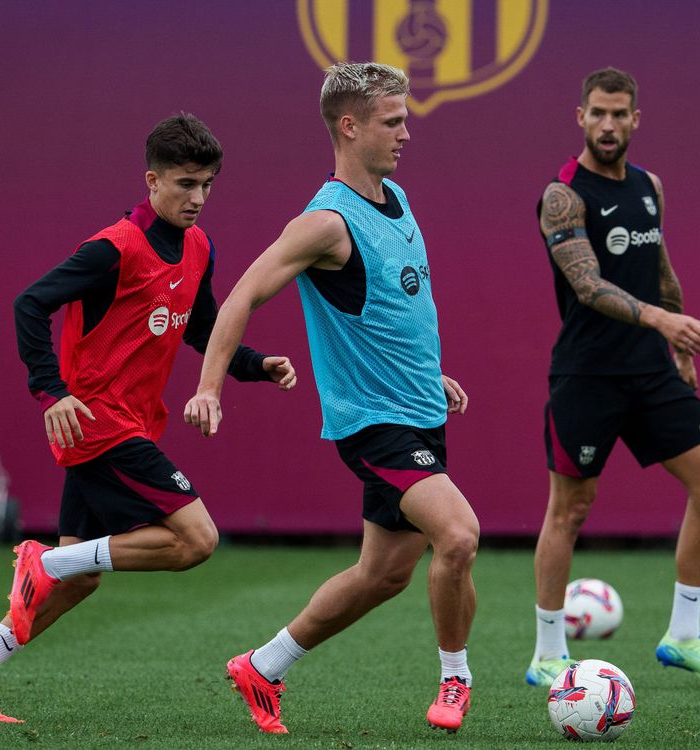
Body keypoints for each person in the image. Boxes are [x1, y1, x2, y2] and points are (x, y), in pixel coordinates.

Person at [0, 113, 297, 722]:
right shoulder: (113, 249)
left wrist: (254, 365)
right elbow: (30, 304)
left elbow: (201, 329)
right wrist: (52, 392)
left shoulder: (199, 247)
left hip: (131, 421)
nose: (198, 198)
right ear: (152, 181)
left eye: (207, 184)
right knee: (196, 540)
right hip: (98, 425)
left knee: (80, 578)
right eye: (184, 183)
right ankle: (41, 562)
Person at [186, 62, 480, 734]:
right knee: (459, 536)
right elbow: (242, 296)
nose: (407, 132)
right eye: (393, 120)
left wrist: (428, 372)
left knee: (382, 575)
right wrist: (209, 386)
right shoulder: (323, 223)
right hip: (373, 425)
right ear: (349, 126)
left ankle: (263, 666)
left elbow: (394, 307)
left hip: (419, 411)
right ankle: (456, 679)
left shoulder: (396, 199)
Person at [525, 68, 700, 687]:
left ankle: (684, 637)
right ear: (581, 117)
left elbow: (659, 268)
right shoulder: (562, 195)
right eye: (598, 113)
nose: (609, 125)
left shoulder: (650, 186)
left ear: (635, 120)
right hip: (587, 375)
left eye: (620, 115)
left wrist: (680, 345)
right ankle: (547, 654)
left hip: (652, 370)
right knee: (570, 509)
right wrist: (662, 322)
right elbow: (588, 285)